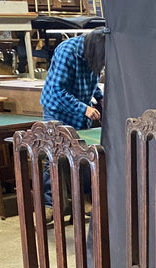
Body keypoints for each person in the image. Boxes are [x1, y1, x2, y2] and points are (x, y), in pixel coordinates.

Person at [39, 27, 108, 220]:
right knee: (54, 157)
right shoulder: (66, 52)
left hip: (79, 111)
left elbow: (92, 82)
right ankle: (50, 205)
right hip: (57, 110)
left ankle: (83, 200)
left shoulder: (95, 54)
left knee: (83, 157)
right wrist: (84, 109)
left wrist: (100, 98)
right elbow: (57, 90)